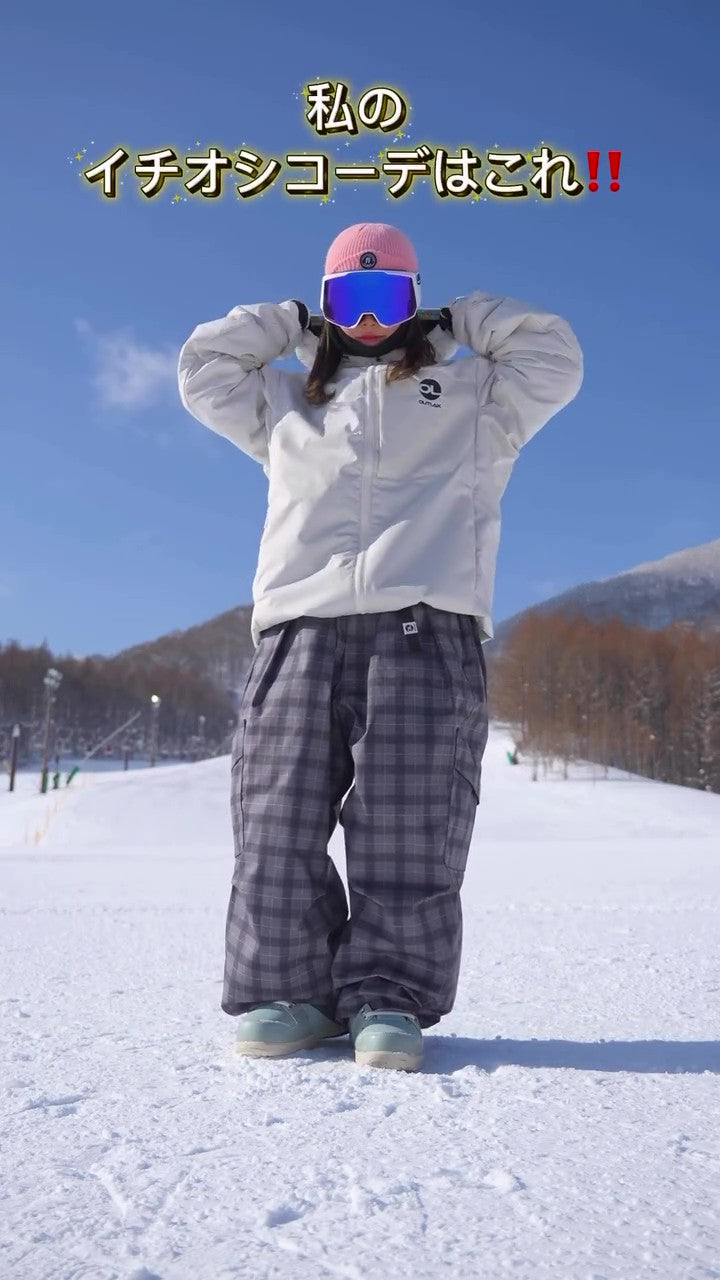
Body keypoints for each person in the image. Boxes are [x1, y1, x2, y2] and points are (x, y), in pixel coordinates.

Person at [177, 222, 583, 1072]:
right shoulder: (288, 401)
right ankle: (288, 993)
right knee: (275, 821)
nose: (368, 317)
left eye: (387, 296)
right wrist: (285, 322)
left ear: (412, 301)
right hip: (299, 627)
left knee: (410, 824)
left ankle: (388, 996)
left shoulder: (473, 397)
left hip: (423, 627)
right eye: (349, 298)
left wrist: (463, 320)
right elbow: (203, 370)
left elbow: (553, 358)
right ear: (329, 304)